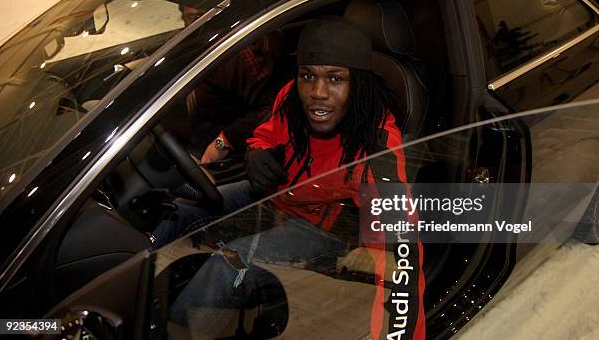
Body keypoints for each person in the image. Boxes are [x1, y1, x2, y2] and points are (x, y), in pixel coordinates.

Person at [161, 17, 425, 340]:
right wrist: (254, 154)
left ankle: (173, 334)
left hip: (322, 227)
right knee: (182, 208)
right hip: (276, 194)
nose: (317, 92)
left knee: (228, 262)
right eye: (308, 76)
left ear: (358, 84)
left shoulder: (377, 144)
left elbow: (402, 252)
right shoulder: (291, 97)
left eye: (335, 79)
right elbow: (264, 134)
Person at [162, 5, 278, 163]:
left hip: (224, 159)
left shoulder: (239, 56)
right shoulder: (186, 49)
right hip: (179, 144)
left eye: (205, 17)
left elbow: (271, 107)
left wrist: (223, 142)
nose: (200, 26)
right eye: (193, 19)